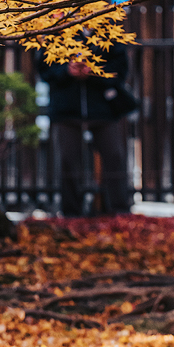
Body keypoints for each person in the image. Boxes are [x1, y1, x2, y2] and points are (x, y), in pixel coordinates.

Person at [39, 36, 139, 216]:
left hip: (102, 107)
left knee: (114, 156)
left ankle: (119, 209)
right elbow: (44, 68)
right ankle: (71, 212)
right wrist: (66, 71)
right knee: (68, 160)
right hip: (66, 108)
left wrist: (94, 72)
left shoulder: (107, 32)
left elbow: (120, 68)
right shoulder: (58, 31)